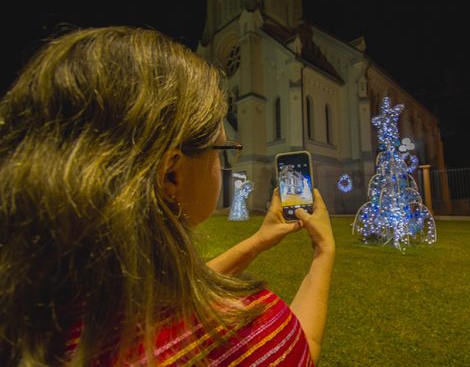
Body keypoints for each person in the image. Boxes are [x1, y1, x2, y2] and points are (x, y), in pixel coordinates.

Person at [0, 26, 335, 366]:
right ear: (171, 173)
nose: (224, 161)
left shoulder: (35, 308)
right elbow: (302, 347)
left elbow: (171, 297)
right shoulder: (246, 332)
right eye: (222, 148)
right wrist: (323, 252)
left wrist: (259, 241)